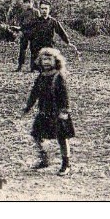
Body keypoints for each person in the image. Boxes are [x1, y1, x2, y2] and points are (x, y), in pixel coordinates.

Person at [23, 47, 75, 176]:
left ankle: (66, 163)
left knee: (62, 138)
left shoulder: (59, 76)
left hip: (58, 112)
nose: (46, 62)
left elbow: (65, 95)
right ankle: (45, 159)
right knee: (37, 134)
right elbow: (34, 93)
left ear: (56, 61)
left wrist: (64, 111)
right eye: (43, 59)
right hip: (44, 111)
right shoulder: (41, 76)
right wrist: (28, 106)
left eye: (49, 59)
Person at [27, 1, 80, 71]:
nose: (44, 11)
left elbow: (61, 32)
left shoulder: (53, 21)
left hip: (49, 45)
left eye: (46, 9)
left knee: (50, 67)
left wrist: (68, 42)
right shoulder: (34, 21)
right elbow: (28, 32)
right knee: (35, 69)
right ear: (39, 9)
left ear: (49, 10)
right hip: (37, 47)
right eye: (42, 9)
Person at [9, 0, 40, 72]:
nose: (28, 4)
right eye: (26, 3)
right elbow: (21, 24)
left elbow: (39, 23)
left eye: (30, 2)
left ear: (32, 3)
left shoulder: (36, 12)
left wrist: (37, 33)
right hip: (24, 33)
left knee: (34, 50)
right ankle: (20, 66)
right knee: (22, 50)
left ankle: (33, 67)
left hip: (33, 33)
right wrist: (19, 30)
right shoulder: (23, 13)